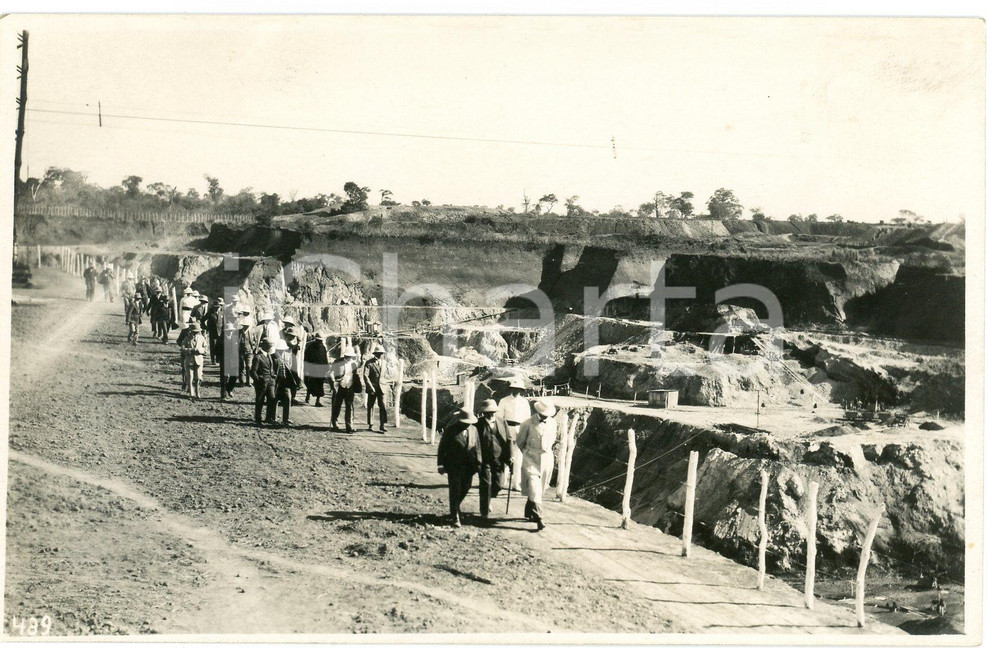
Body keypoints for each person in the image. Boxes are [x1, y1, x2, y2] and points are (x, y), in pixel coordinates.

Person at [516, 400, 558, 531]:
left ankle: (529, 511)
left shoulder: (553, 423)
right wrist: (527, 453)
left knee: (541, 487)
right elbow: (520, 442)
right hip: (531, 458)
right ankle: (539, 518)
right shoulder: (527, 424)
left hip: (546, 459)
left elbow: (552, 439)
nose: (545, 416)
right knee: (534, 486)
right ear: (538, 412)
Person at [437, 408, 481, 528]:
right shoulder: (451, 430)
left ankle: (455, 507)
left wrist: (479, 463)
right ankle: (455, 515)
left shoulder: (474, 429)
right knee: (455, 489)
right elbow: (442, 448)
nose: (467, 424)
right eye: (465, 422)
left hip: (469, 466)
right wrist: (440, 464)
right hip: (454, 465)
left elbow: (477, 447)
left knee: (466, 487)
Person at [476, 399, 510, 521]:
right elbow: (475, 443)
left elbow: (508, 440)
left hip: (498, 459)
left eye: (492, 412)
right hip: (484, 459)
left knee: (498, 484)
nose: (490, 415)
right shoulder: (478, 424)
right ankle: (484, 512)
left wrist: (509, 457)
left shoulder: (502, 422)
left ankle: (489, 498)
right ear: (484, 413)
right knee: (486, 484)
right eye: (488, 412)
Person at [496, 377, 531, 491]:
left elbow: (527, 419)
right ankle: (502, 482)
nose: (516, 391)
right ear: (511, 389)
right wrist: (501, 432)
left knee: (518, 457)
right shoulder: (504, 401)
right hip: (507, 430)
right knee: (505, 455)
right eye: (514, 388)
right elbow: (499, 418)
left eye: (519, 389)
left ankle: (516, 483)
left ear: (521, 390)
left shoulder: (524, 402)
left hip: (520, 431)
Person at [329, 345, 360, 432]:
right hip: (339, 387)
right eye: (348, 356)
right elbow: (330, 373)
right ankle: (335, 423)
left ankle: (349, 426)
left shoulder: (354, 364)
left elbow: (354, 375)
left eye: (351, 356)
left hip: (350, 387)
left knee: (349, 407)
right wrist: (333, 382)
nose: (349, 358)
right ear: (345, 356)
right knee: (337, 406)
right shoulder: (337, 362)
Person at [251, 337, 278, 426]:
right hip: (262, 383)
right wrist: (258, 380)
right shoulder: (258, 357)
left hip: (270, 382)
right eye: (270, 346)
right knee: (260, 400)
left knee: (271, 399)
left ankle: (269, 418)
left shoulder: (269, 355)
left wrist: (273, 376)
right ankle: (258, 418)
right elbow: (253, 372)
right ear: (266, 346)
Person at [273, 339, 300, 427]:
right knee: (275, 399)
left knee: (288, 398)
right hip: (276, 381)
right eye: (279, 350)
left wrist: (296, 382)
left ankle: (286, 418)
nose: (280, 351)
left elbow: (293, 370)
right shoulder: (273, 356)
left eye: (282, 350)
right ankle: (273, 417)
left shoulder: (289, 357)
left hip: (286, 382)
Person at [363, 343, 389, 433]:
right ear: (375, 354)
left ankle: (382, 425)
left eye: (381, 353)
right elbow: (365, 376)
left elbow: (386, 375)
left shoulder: (385, 363)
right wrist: (370, 387)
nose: (380, 355)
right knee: (371, 406)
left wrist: (385, 383)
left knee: (383, 406)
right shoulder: (369, 363)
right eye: (379, 353)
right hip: (372, 388)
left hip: (382, 388)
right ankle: (371, 424)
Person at [180, 320, 208, 399]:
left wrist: (200, 350)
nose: (195, 333)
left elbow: (206, 349)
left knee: (198, 377)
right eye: (194, 332)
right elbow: (182, 348)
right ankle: (191, 393)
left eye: (197, 332)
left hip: (199, 360)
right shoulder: (187, 338)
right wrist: (189, 350)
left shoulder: (201, 338)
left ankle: (197, 391)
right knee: (190, 377)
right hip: (189, 360)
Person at [280, 317, 304, 404]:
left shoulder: (295, 332)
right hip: (284, 353)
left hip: (293, 355)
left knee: (293, 374)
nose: (286, 325)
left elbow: (299, 340)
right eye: (285, 323)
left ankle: (292, 396)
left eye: (288, 323)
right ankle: (284, 397)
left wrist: (297, 345)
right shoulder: (282, 332)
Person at [303, 332, 329, 406]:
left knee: (320, 385)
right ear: (315, 340)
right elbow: (306, 359)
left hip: (320, 370)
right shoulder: (310, 347)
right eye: (318, 340)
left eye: (320, 340)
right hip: (312, 369)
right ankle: (308, 396)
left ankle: (317, 400)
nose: (319, 342)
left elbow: (325, 359)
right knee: (310, 383)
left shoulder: (323, 348)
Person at [218, 322, 240, 400]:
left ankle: (229, 388)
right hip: (225, 360)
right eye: (228, 330)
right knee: (223, 378)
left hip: (234, 360)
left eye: (231, 330)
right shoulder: (221, 339)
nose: (229, 332)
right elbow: (216, 350)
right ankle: (223, 395)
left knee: (235, 376)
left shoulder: (235, 338)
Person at [206, 297, 225, 364]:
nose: (216, 308)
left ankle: (218, 359)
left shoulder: (222, 312)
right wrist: (206, 327)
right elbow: (203, 319)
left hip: (220, 331)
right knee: (213, 346)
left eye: (218, 307)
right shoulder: (210, 312)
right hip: (213, 331)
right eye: (215, 307)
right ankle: (213, 360)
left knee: (219, 346)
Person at [238, 310, 254, 386]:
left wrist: (253, 348)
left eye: (247, 325)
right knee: (241, 367)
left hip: (249, 351)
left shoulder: (251, 332)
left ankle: (248, 381)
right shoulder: (238, 332)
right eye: (244, 325)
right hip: (240, 351)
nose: (245, 327)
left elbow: (253, 341)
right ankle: (241, 381)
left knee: (249, 366)